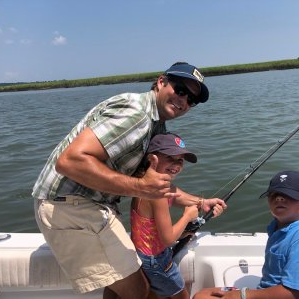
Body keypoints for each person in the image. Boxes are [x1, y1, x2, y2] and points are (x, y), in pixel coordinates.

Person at [32, 62, 227, 299]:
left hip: (93, 206)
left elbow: (155, 187)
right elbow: (70, 161)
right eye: (181, 90)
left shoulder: (156, 126)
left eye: (191, 100)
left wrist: (199, 202)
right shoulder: (136, 114)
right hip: (71, 206)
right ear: (161, 81)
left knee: (122, 285)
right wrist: (140, 187)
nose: (184, 101)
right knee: (137, 290)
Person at [193, 170, 299, 299]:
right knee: (204, 294)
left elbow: (293, 293)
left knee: (201, 298)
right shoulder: (279, 228)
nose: (279, 198)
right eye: (274, 194)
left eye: (289, 195)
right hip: (266, 290)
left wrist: (243, 295)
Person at [131, 132, 207, 299]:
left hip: (143, 254)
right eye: (170, 158)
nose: (176, 164)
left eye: (180, 160)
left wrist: (202, 202)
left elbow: (152, 226)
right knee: (182, 295)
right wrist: (188, 215)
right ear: (152, 159)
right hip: (156, 260)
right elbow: (168, 239)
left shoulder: (142, 184)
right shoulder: (159, 193)